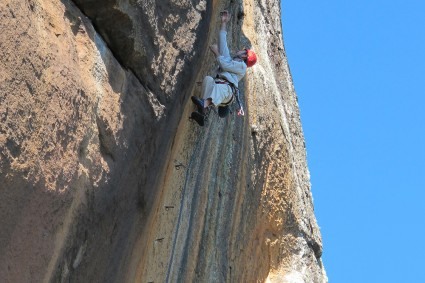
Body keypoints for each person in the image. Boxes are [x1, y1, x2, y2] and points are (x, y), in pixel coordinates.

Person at [190, 10, 257, 126]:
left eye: (243, 51)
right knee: (208, 80)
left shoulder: (242, 67)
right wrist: (224, 22)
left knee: (222, 88)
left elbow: (224, 65)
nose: (240, 50)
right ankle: (202, 113)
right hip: (219, 85)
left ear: (244, 56)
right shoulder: (230, 60)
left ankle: (204, 104)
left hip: (227, 91)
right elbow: (223, 42)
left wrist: (216, 53)